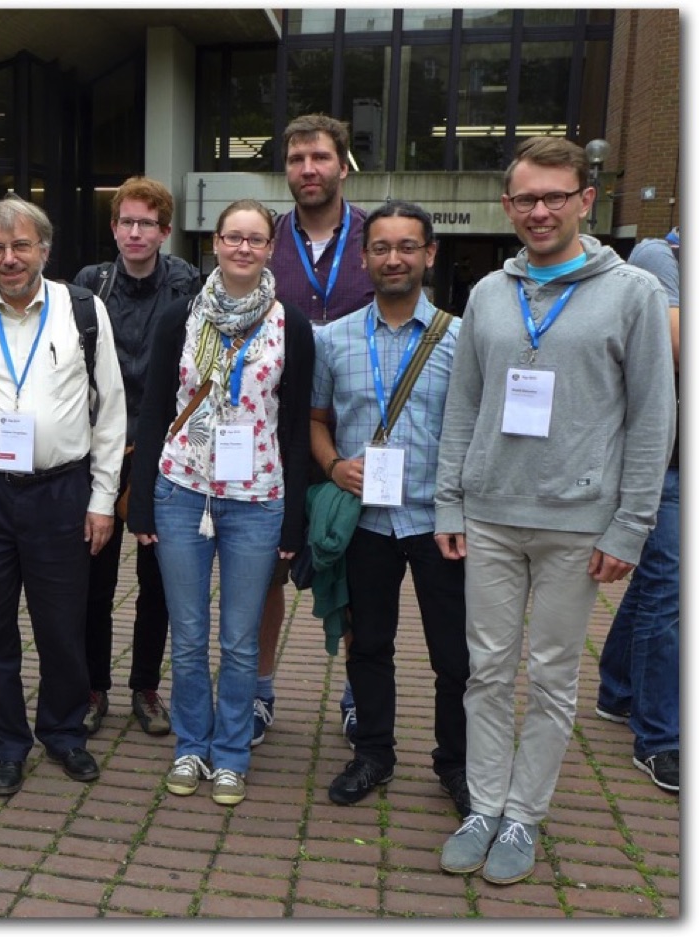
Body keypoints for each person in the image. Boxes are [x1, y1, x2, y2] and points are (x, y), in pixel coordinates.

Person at [434, 137, 675, 885]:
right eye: (526, 199)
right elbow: (463, 405)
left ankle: (524, 813)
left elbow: (653, 417)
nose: (539, 211)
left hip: (579, 519)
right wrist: (450, 501)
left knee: (550, 675)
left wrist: (631, 525)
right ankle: (484, 805)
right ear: (508, 206)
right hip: (491, 513)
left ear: (584, 200)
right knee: (486, 670)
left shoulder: (633, 292)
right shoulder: (488, 292)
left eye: (554, 197)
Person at [0, 196, 126, 798]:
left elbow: (111, 413)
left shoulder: (83, 311)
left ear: (45, 249)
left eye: (20, 246)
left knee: (62, 624)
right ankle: (7, 744)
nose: (9, 259)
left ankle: (63, 732)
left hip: (62, 493)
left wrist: (103, 498)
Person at [127, 199, 314, 806]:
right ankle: (191, 745)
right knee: (187, 635)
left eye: (255, 239)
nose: (242, 248)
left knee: (238, 639)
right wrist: (142, 503)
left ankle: (231, 754)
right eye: (233, 237)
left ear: (270, 249)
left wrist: (294, 519)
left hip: (257, 498)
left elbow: (294, 426)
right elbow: (154, 410)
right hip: (182, 489)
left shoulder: (291, 325)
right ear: (215, 242)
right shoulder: (179, 316)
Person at [309, 201, 469, 815]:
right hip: (366, 520)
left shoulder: (461, 339)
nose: (394, 258)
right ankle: (373, 752)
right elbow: (316, 420)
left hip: (438, 522)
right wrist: (332, 466)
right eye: (381, 247)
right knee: (369, 645)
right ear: (364, 258)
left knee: (454, 656)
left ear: (430, 253)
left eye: (407, 246)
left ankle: (456, 764)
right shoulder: (334, 338)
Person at [257, 114, 375, 749]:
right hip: (272, 437)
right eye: (297, 159)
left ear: (343, 165)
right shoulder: (263, 240)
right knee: (261, 576)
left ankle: (358, 695)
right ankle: (258, 691)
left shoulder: (375, 237)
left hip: (352, 436)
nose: (308, 169)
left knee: (355, 575)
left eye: (320, 157)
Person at [71, 176, 202, 738]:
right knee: (93, 580)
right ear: (114, 227)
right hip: (98, 449)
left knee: (158, 582)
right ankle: (92, 687)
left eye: (146, 223)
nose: (135, 232)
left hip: (161, 451)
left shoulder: (186, 283)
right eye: (126, 221)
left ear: (164, 231)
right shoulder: (90, 284)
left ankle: (145, 687)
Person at [595, 226, 680, 793]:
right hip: (667, 458)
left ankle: (618, 688)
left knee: (658, 581)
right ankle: (660, 737)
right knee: (670, 586)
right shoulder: (661, 254)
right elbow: (673, 344)